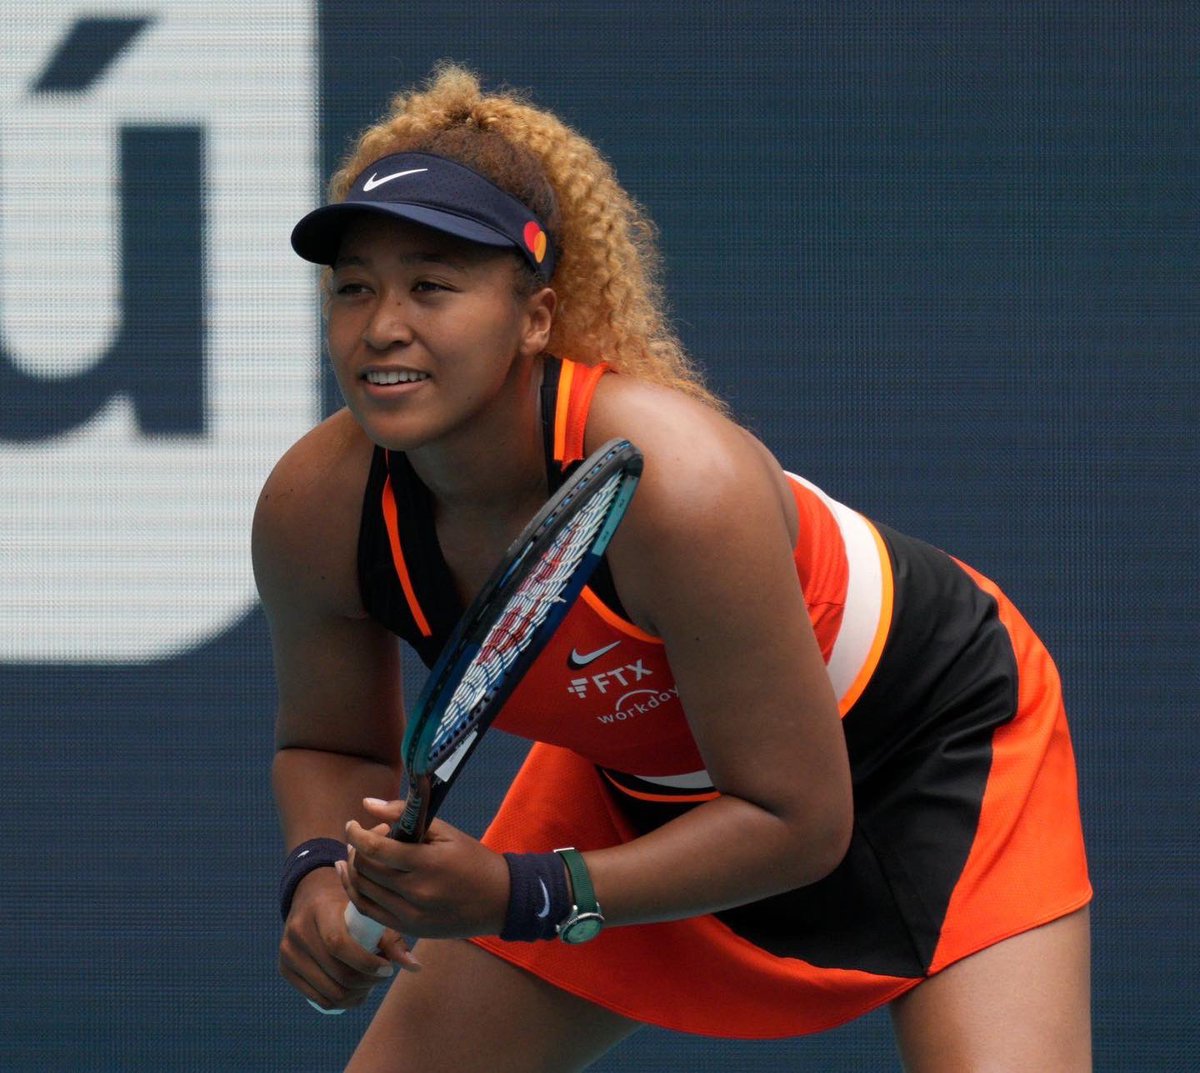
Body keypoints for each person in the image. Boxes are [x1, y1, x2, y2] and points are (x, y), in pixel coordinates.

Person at [257, 64, 1092, 1072]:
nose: (382, 325)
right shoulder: (316, 507)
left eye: (431, 285)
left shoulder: (682, 483)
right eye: (353, 287)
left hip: (932, 749)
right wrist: (318, 871)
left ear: (535, 316)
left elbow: (798, 820)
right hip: (641, 786)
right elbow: (329, 741)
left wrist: (524, 891)